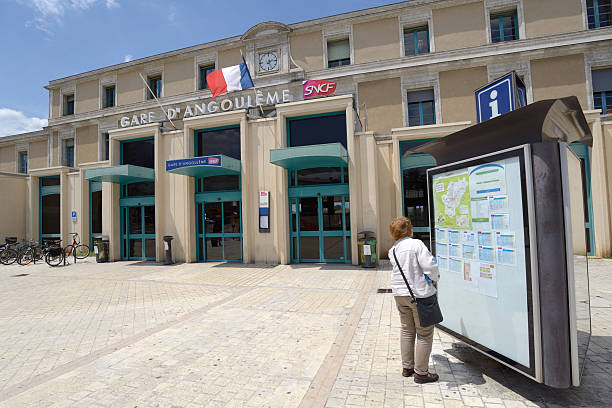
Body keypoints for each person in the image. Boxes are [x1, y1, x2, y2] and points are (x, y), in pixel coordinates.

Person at [388, 216, 440, 384]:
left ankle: (407, 367)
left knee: (406, 330)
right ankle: (421, 373)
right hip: (417, 294)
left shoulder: (393, 250)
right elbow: (429, 266)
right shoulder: (416, 244)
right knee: (424, 333)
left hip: (399, 294)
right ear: (409, 230)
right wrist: (434, 278)